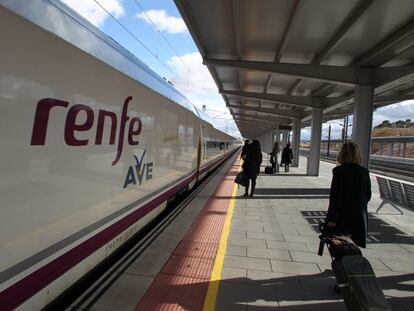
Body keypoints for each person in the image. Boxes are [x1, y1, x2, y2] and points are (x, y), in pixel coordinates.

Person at [324, 141, 371, 248]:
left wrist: (332, 219)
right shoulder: (364, 172)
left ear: (342, 154)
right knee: (352, 249)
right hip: (359, 218)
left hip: (342, 217)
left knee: (339, 248)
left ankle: (342, 264)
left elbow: (336, 198)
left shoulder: (339, 172)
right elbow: (368, 196)